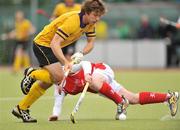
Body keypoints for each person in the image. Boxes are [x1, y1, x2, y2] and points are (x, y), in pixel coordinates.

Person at [11, 0, 106, 123]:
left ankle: (21, 108)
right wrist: (66, 62)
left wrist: (81, 53)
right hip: (43, 44)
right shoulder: (73, 21)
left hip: (52, 47)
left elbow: (91, 42)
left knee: (48, 81)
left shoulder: (90, 23)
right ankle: (32, 73)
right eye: (95, 15)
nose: (97, 18)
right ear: (86, 12)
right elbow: (54, 43)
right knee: (60, 77)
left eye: (99, 16)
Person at [48, 61, 179, 121]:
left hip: (101, 71)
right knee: (133, 98)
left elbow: (85, 63)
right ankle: (169, 97)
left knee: (94, 81)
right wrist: (55, 115)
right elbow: (57, 104)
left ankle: (121, 103)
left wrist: (87, 74)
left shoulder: (67, 69)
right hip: (101, 84)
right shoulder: (59, 88)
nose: (55, 78)